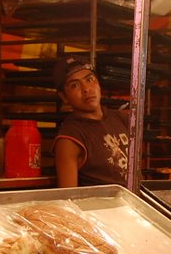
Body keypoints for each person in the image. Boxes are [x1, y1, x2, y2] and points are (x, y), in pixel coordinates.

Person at [52, 58, 129, 187]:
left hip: (134, 203)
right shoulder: (69, 139)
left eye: (89, 79)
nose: (86, 89)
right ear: (64, 97)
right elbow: (68, 197)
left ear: (99, 84)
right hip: (101, 206)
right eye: (75, 85)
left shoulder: (120, 118)